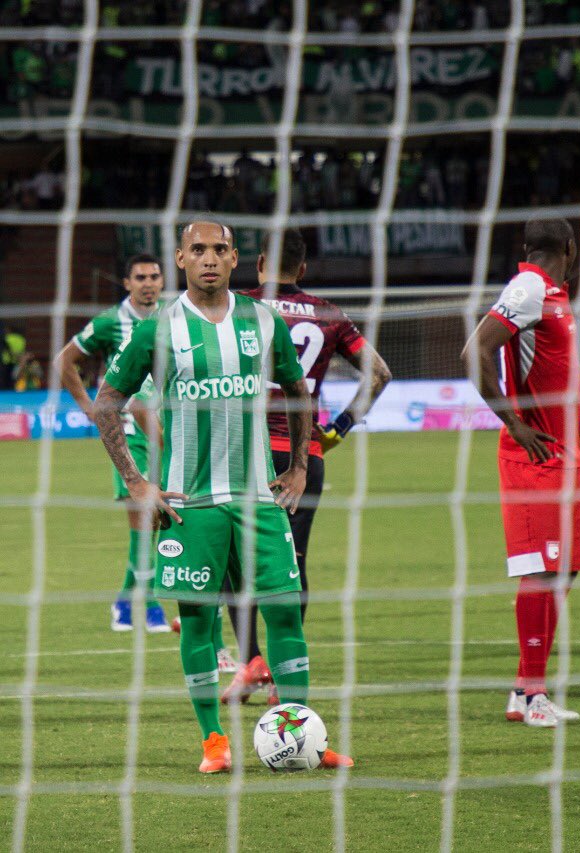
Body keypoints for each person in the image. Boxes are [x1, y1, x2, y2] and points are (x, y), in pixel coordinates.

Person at [91, 220, 351, 772]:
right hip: (192, 503)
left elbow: (298, 390)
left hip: (259, 496)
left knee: (285, 612)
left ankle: (300, 733)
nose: (210, 258)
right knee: (200, 619)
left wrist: (300, 467)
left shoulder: (263, 320)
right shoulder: (158, 330)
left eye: (220, 249)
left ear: (236, 259)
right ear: (181, 259)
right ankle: (214, 741)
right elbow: (106, 401)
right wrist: (138, 482)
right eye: (198, 250)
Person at [221, 228, 392, 704]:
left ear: (256, 263)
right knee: (291, 565)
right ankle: (280, 672)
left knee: (233, 559)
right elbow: (379, 374)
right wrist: (335, 430)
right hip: (303, 455)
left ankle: (249, 660)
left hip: (243, 450)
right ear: (303, 269)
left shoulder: (238, 306)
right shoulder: (328, 314)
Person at [461, 218, 580, 727]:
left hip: (565, 454)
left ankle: (524, 688)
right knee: (541, 571)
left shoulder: (554, 293)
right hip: (534, 456)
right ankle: (534, 694)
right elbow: (475, 351)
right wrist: (514, 423)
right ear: (571, 249)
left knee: (564, 570)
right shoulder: (530, 286)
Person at [54, 255, 177, 634]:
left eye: (154, 276)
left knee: (155, 523)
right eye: (140, 277)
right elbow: (64, 361)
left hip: (167, 434)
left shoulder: (174, 318)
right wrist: (90, 409)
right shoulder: (110, 322)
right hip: (127, 439)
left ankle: (124, 603)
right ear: (127, 283)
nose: (148, 283)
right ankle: (150, 606)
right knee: (143, 520)